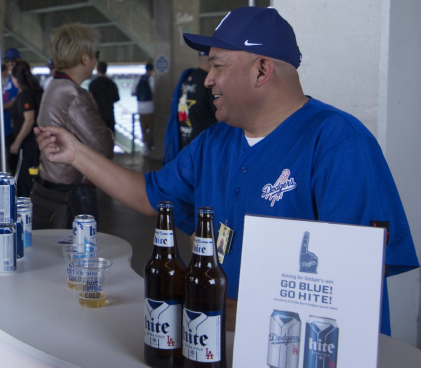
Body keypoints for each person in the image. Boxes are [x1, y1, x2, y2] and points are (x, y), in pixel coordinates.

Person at [35, 6, 419, 335]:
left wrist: (226, 311)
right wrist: (76, 155)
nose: (208, 79)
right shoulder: (214, 142)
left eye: (218, 65)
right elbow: (149, 194)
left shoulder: (338, 142)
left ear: (262, 69)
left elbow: (349, 288)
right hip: (212, 349)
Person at [33, 23, 114, 228]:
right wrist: (110, 133)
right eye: (95, 53)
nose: (96, 60)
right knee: (83, 254)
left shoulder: (54, 85)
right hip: (75, 190)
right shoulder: (74, 94)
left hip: (52, 183)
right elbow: (104, 146)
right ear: (85, 58)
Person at [163, 50, 217, 165]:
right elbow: (220, 117)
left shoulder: (187, 78)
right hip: (203, 149)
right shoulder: (209, 83)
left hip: (184, 144)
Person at [9, 60, 43, 197]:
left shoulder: (25, 95)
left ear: (15, 79)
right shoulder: (31, 92)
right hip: (31, 145)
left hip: (27, 145)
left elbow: (29, 120)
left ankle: (25, 212)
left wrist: (16, 143)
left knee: (24, 180)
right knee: (28, 176)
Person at [89, 61, 120, 134]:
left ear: (97, 70)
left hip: (97, 116)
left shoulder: (93, 84)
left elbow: (91, 100)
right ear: (106, 70)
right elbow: (116, 98)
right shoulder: (111, 83)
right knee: (110, 139)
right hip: (109, 115)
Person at [131, 62, 155, 154]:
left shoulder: (138, 78)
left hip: (140, 107)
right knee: (151, 128)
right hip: (150, 107)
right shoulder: (152, 78)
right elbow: (154, 91)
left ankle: (145, 148)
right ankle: (152, 147)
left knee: (143, 129)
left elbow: (133, 92)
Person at [2, 48, 21, 159]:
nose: (9, 63)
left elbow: (17, 99)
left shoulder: (20, 77)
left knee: (15, 160)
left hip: (16, 125)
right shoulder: (10, 78)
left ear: (19, 60)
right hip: (7, 125)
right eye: (7, 60)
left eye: (12, 60)